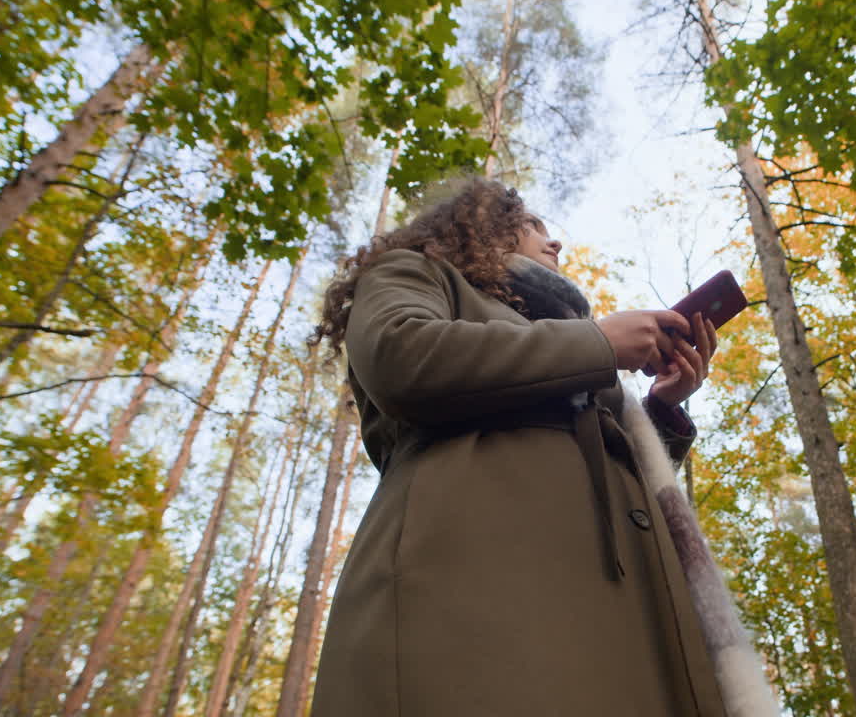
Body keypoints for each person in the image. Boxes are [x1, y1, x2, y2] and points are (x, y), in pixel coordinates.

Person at [308, 177, 734, 716]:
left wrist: (663, 411)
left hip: (612, 619)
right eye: (532, 226)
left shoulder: (567, 343)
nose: (554, 243)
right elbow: (401, 355)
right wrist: (599, 343)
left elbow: (611, 480)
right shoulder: (417, 272)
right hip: (469, 602)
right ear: (480, 232)